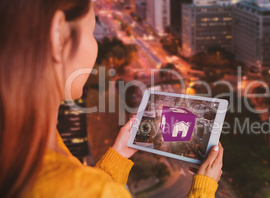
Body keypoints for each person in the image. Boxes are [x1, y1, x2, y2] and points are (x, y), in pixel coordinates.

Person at [0, 0, 224, 197]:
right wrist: (204, 188)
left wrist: (118, 155)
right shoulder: (91, 188)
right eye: (91, 32)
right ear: (57, 36)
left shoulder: (23, 148)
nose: (95, 45)